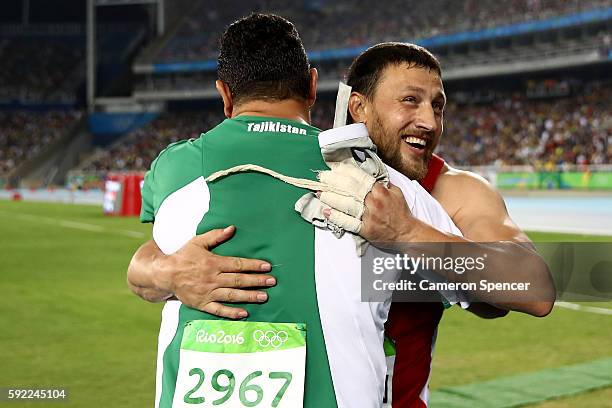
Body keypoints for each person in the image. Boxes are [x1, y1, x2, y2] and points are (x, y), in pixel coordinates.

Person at [131, 14, 463, 408]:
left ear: (224, 94)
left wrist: (160, 272)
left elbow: (148, 264)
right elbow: (521, 290)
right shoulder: (383, 184)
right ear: (311, 86)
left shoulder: (171, 170)